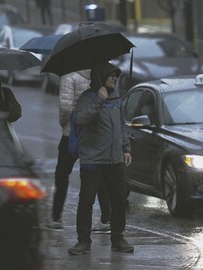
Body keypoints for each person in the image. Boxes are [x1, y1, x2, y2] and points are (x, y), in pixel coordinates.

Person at [68, 62, 133, 255]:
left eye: (116, 75)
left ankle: (118, 238)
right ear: (100, 77)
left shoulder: (116, 99)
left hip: (115, 160)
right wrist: (98, 100)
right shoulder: (87, 98)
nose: (114, 78)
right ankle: (83, 241)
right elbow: (80, 119)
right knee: (86, 201)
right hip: (93, 160)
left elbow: (121, 126)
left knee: (119, 200)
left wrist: (126, 148)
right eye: (111, 75)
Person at [46, 69, 112, 231]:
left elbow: (65, 108)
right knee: (98, 176)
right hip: (92, 135)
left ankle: (56, 217)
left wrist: (65, 125)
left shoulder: (69, 77)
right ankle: (106, 219)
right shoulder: (97, 76)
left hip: (71, 135)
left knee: (62, 175)